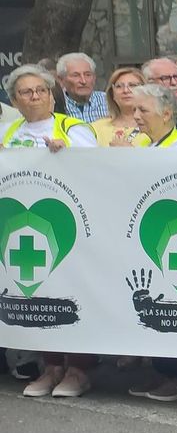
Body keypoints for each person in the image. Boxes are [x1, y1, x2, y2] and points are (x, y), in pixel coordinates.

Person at [2, 64, 98, 399]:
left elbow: (98, 169)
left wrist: (67, 155)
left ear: (52, 96)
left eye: (41, 90)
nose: (34, 97)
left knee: (74, 294)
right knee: (40, 294)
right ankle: (52, 366)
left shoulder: (73, 129)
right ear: (15, 100)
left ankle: (79, 369)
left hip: (69, 226)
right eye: (26, 92)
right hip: (24, 227)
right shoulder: (8, 133)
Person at [123, 83, 177, 402]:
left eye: (143, 110)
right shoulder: (147, 144)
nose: (136, 116)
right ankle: (162, 371)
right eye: (134, 110)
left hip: (174, 239)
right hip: (153, 238)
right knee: (155, 303)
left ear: (167, 113)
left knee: (174, 305)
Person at [92, 66, 145, 145]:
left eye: (132, 85)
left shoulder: (155, 126)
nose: (126, 90)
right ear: (112, 94)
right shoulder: (96, 128)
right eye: (119, 86)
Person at [56, 53, 106, 121]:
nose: (83, 81)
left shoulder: (109, 101)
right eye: (75, 75)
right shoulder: (54, 105)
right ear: (61, 80)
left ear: (94, 77)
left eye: (88, 75)